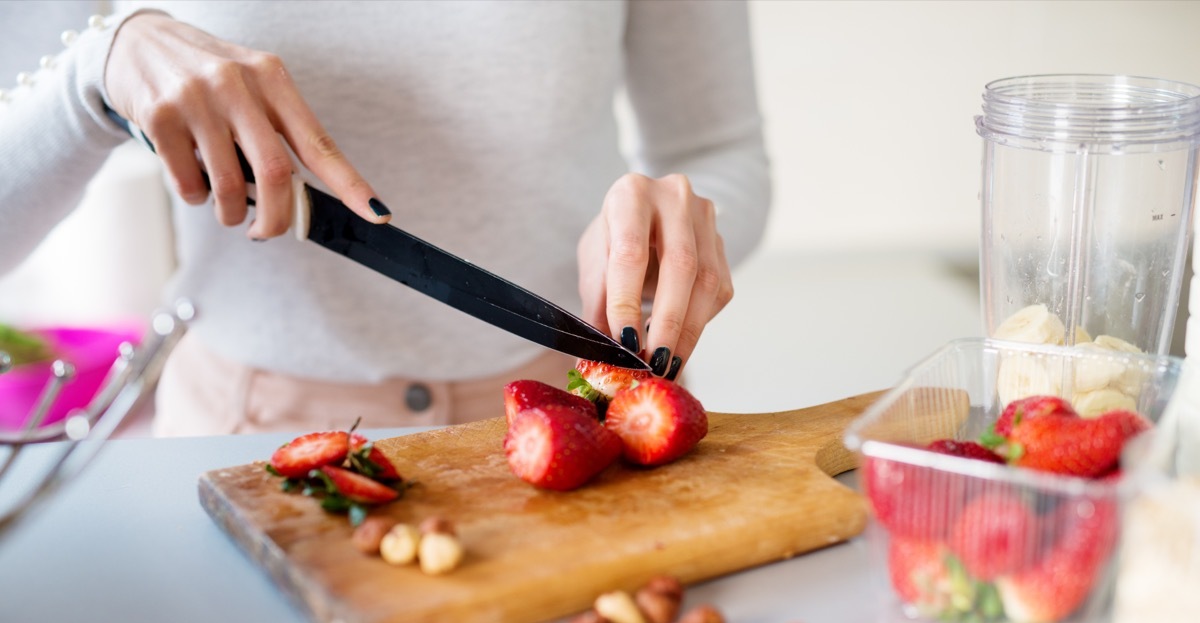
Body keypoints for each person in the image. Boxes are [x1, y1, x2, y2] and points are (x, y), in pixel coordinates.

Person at [0, 1, 771, 435]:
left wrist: (680, 237)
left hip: (589, 421)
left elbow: (719, 146)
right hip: (242, 440)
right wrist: (92, 73)